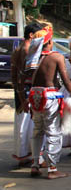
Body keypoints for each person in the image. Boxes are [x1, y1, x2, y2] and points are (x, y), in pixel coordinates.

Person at [28, 26, 71, 179]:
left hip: (34, 96)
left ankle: (35, 164)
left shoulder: (31, 58)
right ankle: (52, 169)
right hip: (49, 97)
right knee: (53, 132)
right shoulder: (56, 57)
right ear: (49, 41)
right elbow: (65, 78)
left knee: (37, 132)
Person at [11, 22, 42, 167]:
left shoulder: (18, 49)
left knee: (22, 122)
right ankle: (32, 155)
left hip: (20, 89)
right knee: (30, 123)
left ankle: (24, 154)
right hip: (27, 89)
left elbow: (13, 74)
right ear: (31, 35)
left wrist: (17, 88)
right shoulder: (28, 49)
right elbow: (27, 73)